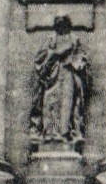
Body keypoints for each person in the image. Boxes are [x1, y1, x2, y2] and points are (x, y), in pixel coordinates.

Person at [30, 14, 91, 146]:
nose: (61, 26)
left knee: (67, 104)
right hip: (52, 76)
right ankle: (51, 134)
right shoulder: (50, 39)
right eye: (58, 23)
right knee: (50, 103)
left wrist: (73, 62)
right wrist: (55, 54)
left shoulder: (74, 39)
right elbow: (41, 58)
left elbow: (82, 58)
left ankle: (66, 134)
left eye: (63, 23)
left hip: (68, 74)